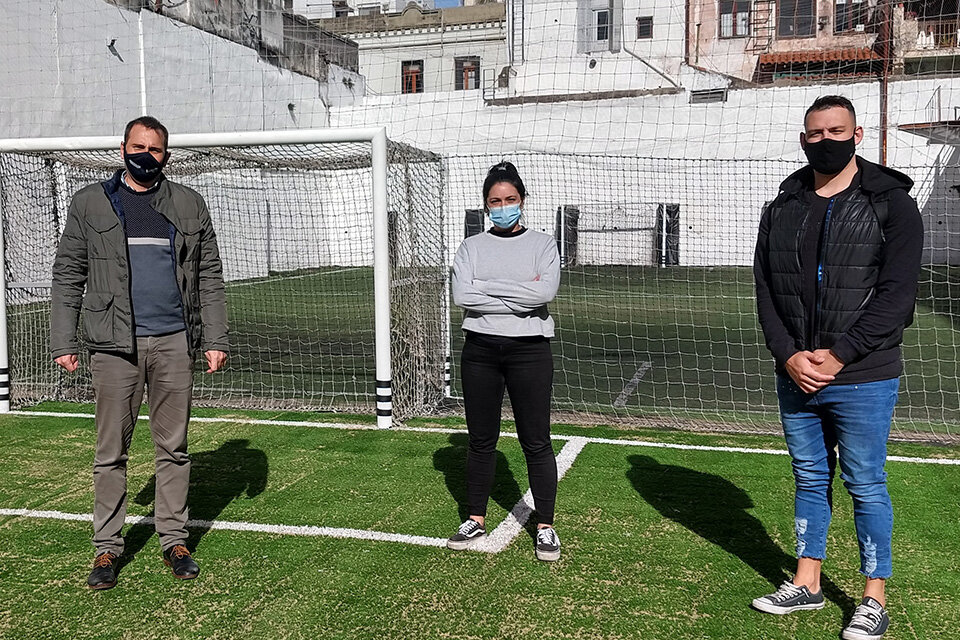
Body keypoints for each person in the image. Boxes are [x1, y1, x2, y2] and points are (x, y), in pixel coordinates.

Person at [752, 96, 923, 640]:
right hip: (796, 372)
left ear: (858, 133)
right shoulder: (784, 203)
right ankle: (808, 582)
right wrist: (788, 354)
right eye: (815, 133)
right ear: (803, 139)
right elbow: (764, 289)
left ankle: (874, 598)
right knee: (808, 476)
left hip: (863, 375)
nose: (825, 140)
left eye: (836, 131)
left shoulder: (891, 203)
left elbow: (897, 296)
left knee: (866, 483)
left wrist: (841, 354)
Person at [51, 116, 229, 590]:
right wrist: (64, 340)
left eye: (154, 149)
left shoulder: (189, 204)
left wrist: (215, 338)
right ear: (122, 148)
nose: (145, 155)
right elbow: (69, 274)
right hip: (113, 348)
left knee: (173, 449)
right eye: (137, 146)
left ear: (165, 156)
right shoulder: (90, 202)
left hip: (174, 342)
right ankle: (107, 549)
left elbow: (209, 275)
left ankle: (174, 540)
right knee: (111, 452)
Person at [448, 161, 562, 561]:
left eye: (510, 199)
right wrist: (518, 291)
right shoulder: (471, 247)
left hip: (529, 351)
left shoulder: (544, 244)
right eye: (495, 201)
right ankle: (475, 518)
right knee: (481, 441)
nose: (503, 206)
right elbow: (463, 296)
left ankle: (545, 525)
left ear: (523, 201)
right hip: (479, 351)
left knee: (536, 440)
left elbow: (544, 293)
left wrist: (487, 287)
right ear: (485, 206)